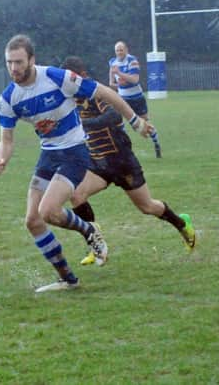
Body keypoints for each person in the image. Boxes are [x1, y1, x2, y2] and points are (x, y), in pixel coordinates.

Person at [0, 34, 153, 293]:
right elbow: (6, 140)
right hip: (48, 154)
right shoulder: (9, 98)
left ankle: (89, 230)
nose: (13, 68)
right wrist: (2, 158)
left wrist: (134, 120)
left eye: (19, 62)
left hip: (75, 152)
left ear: (32, 60)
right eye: (9, 62)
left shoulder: (57, 78)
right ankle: (68, 279)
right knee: (33, 221)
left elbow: (104, 92)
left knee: (49, 211)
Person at [61, 56, 196, 265]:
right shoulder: (68, 100)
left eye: (72, 77)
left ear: (83, 76)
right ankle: (95, 245)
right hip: (98, 163)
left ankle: (182, 224)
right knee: (76, 195)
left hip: (122, 160)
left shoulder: (96, 92)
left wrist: (85, 124)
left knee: (148, 207)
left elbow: (114, 116)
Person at [109, 41, 162, 158]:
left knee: (144, 125)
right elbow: (111, 83)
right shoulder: (113, 62)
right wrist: (119, 83)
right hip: (123, 98)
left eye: (121, 50)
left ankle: (156, 143)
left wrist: (120, 74)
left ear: (126, 50)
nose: (119, 52)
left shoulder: (132, 61)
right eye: (117, 50)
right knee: (118, 122)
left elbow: (135, 80)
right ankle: (124, 150)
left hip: (136, 98)